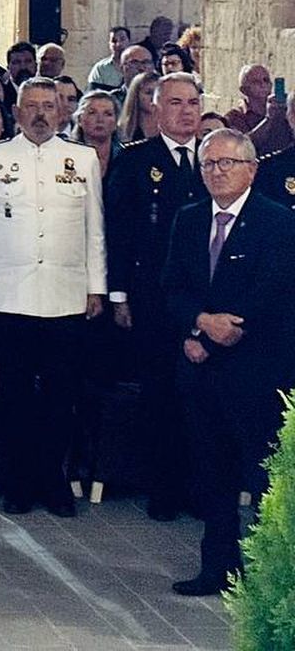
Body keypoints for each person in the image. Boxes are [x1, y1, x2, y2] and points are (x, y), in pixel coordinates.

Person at [0, 77, 106, 517]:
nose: (41, 113)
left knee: (62, 395)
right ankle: (21, 481)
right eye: (32, 106)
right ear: (18, 112)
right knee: (15, 395)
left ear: (63, 112)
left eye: (49, 105)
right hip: (10, 295)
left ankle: (54, 480)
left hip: (66, 295)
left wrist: (96, 286)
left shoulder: (81, 159)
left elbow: (94, 228)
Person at [162, 129, 295, 595]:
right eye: (209, 164)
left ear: (252, 169)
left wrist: (215, 336)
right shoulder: (188, 218)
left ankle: (261, 575)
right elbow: (172, 287)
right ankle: (216, 568)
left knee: (260, 476)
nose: (217, 172)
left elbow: (272, 293)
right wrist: (198, 324)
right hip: (199, 369)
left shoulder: (278, 222)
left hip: (255, 371)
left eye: (227, 163)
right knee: (211, 475)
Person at [104, 73, 205, 521]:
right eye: (177, 103)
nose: (186, 111)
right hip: (153, 296)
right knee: (160, 393)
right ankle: (163, 489)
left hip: (203, 299)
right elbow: (121, 231)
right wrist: (119, 294)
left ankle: (198, 485)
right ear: (157, 110)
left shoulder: (214, 157)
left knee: (199, 396)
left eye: (193, 103)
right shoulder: (138, 159)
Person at [223, 63, 293, 153]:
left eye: (266, 80)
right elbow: (242, 147)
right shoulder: (234, 117)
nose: (262, 84)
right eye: (256, 82)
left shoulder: (284, 111)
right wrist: (268, 119)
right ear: (244, 90)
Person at [72, 90, 120, 177]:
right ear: (79, 120)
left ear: (116, 121)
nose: (100, 120)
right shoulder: (68, 156)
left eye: (107, 114)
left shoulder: (126, 158)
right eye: (92, 113)